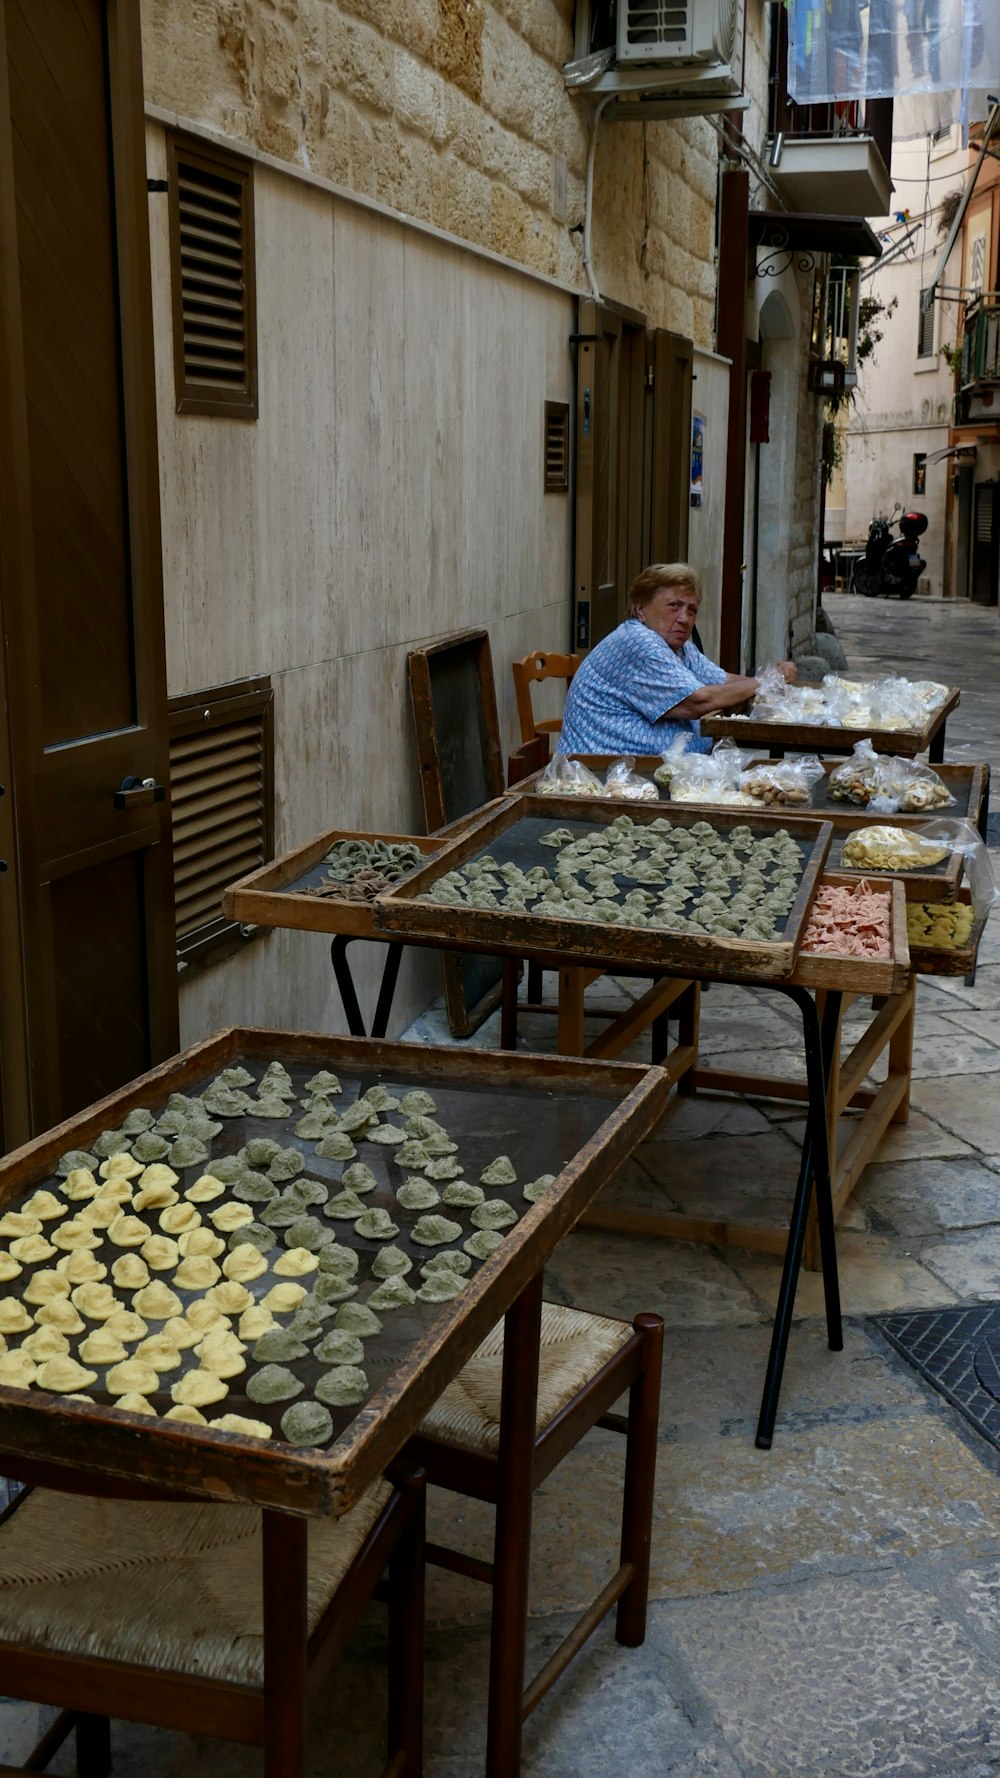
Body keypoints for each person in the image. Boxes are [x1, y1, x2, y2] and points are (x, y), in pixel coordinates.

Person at [558, 563, 796, 756]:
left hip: (655, 771)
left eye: (691, 610)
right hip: (605, 774)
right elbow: (699, 702)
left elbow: (724, 682)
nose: (684, 618)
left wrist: (772, 677)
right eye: (674, 606)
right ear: (641, 609)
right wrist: (767, 681)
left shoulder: (679, 647)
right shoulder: (638, 641)